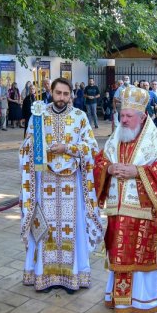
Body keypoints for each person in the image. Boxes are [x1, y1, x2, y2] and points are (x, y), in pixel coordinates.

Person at [94, 87, 157, 313]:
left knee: (138, 253)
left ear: (142, 117)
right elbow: (99, 161)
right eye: (122, 115)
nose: (124, 120)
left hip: (143, 211)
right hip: (118, 210)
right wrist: (109, 168)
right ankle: (119, 299)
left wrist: (137, 171)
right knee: (117, 249)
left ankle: (143, 299)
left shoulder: (154, 141)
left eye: (129, 116)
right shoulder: (116, 137)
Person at [20, 78, 102, 291]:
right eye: (58, 93)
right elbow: (26, 146)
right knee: (45, 228)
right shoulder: (39, 115)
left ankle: (70, 276)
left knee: (70, 228)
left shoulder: (80, 117)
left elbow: (92, 148)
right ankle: (43, 275)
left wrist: (68, 148)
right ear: (51, 92)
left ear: (71, 95)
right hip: (45, 180)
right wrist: (38, 145)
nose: (62, 98)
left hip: (70, 183)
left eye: (66, 94)